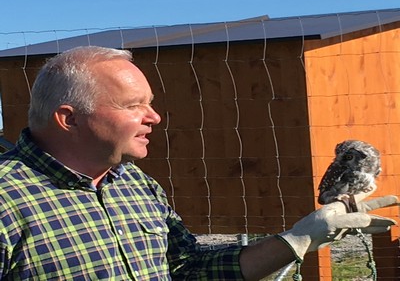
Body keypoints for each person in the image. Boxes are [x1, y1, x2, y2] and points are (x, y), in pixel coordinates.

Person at [0, 46, 397, 281]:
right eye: (133, 105)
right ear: (69, 119)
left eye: (150, 103)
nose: (153, 117)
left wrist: (297, 240)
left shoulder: (134, 183)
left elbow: (189, 269)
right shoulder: (7, 200)